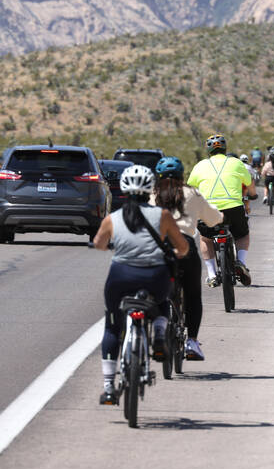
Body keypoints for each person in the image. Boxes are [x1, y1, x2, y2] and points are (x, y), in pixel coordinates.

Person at [91, 164, 189, 405]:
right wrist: (175, 252)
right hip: (155, 276)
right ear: (149, 190)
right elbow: (183, 247)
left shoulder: (112, 218)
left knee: (113, 326)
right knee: (163, 303)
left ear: (124, 190)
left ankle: (108, 387)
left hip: (120, 276)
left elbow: (99, 244)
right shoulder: (163, 215)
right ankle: (157, 333)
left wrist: (113, 245)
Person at [153, 156, 223, 361]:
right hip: (185, 246)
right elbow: (214, 218)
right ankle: (192, 341)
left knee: (154, 290)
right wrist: (220, 219)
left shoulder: (152, 194)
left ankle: (156, 331)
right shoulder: (193, 193)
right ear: (182, 174)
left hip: (159, 246)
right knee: (193, 296)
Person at [187, 133, 255, 287]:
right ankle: (241, 262)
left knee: (205, 238)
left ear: (208, 151)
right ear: (225, 149)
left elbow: (191, 188)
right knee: (242, 234)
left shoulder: (200, 166)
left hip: (209, 210)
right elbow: (249, 183)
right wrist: (253, 194)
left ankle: (211, 275)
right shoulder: (236, 163)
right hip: (233, 207)